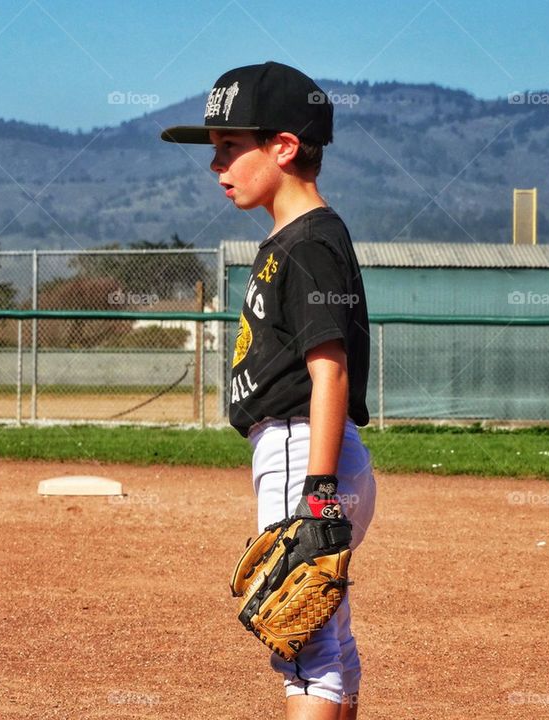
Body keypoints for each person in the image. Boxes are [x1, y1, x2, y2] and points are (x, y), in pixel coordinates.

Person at [162, 62, 376, 719]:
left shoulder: (311, 244)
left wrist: (317, 495)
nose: (215, 165)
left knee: (304, 654)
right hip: (319, 455)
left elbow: (329, 370)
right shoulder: (298, 239)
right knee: (328, 640)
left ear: (284, 146)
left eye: (230, 146)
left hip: (302, 451)